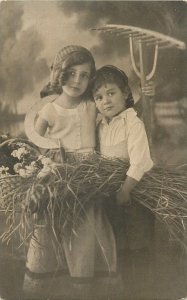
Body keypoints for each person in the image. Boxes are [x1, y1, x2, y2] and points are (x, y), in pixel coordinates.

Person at [23, 47, 121, 300]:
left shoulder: (92, 105)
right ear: (58, 73)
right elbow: (34, 142)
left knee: (88, 226)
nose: (77, 81)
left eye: (84, 75)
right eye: (71, 73)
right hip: (59, 174)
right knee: (52, 224)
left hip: (89, 175)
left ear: (91, 80)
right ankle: (50, 280)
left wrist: (148, 97)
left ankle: (85, 282)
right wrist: (47, 163)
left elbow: (122, 115)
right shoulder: (49, 110)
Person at [92, 65, 154, 299]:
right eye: (99, 97)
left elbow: (140, 161)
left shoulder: (132, 122)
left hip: (134, 194)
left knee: (139, 246)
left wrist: (126, 190)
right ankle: (129, 291)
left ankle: (145, 291)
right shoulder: (101, 127)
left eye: (111, 93)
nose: (105, 101)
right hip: (113, 195)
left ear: (126, 93)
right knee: (121, 248)